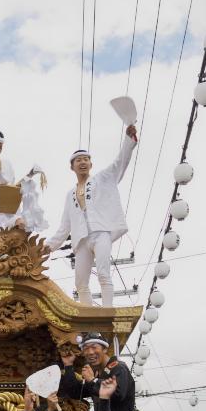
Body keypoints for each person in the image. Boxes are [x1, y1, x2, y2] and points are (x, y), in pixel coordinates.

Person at [45, 125, 137, 307]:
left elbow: (120, 162)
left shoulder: (102, 179)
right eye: (78, 160)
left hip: (101, 233)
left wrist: (129, 140)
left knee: (104, 273)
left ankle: (107, 311)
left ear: (91, 164)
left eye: (86, 159)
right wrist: (47, 247)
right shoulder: (69, 194)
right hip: (81, 240)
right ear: (72, 166)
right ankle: (89, 316)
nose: (83, 162)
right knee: (80, 283)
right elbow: (64, 228)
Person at [58, 332, 135, 411]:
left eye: (94, 347)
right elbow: (75, 392)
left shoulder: (119, 367)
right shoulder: (97, 373)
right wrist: (68, 365)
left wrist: (93, 380)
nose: (90, 352)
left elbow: (118, 395)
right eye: (86, 348)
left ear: (105, 349)